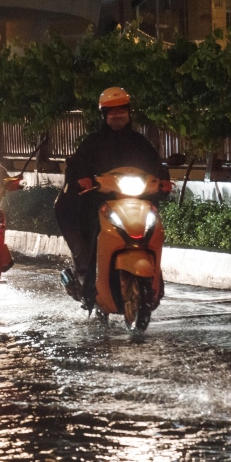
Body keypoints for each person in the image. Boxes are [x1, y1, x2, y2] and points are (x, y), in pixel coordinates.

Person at [55, 87, 171, 302]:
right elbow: (77, 165)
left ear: (129, 111)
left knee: (153, 223)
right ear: (104, 114)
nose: (117, 115)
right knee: (84, 221)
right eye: (111, 111)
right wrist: (83, 178)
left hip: (135, 201)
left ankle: (154, 277)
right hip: (99, 201)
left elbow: (156, 165)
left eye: (121, 110)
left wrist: (163, 180)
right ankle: (85, 271)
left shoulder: (140, 142)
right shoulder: (92, 143)